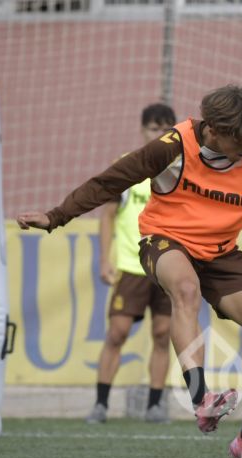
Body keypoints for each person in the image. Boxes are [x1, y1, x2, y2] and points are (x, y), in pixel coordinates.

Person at [17, 85, 242, 458]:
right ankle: (202, 398)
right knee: (185, 290)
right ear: (213, 130)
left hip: (221, 253)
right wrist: (56, 216)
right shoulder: (172, 146)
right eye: (240, 140)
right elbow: (109, 182)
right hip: (165, 240)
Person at [84, 103, 177, 425]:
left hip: (167, 265)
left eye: (166, 129)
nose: (159, 135)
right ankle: (100, 403)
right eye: (154, 129)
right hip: (132, 265)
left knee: (164, 333)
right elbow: (107, 215)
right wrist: (104, 258)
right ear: (143, 130)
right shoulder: (127, 166)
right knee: (117, 333)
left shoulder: (181, 169)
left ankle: (155, 405)